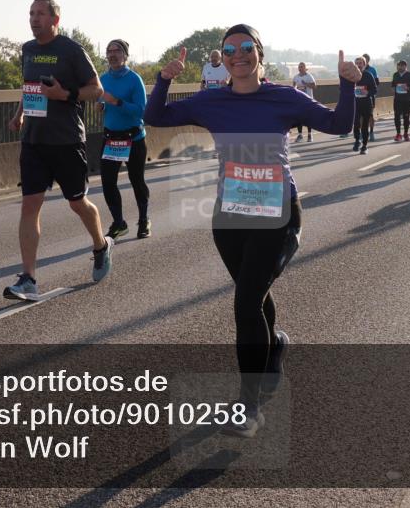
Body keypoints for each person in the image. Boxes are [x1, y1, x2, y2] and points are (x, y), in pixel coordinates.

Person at [144, 25, 360, 438]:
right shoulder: (212, 100)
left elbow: (338, 125)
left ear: (259, 53)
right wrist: (164, 79)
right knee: (253, 293)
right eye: (229, 50)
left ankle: (249, 405)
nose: (237, 55)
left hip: (278, 214)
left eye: (246, 48)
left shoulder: (284, 97)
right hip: (230, 216)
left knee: (245, 303)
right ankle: (275, 344)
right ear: (222, 58)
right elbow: (155, 117)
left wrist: (349, 87)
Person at [4, 0, 113, 302]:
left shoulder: (71, 50)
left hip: (66, 140)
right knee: (30, 204)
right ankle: (28, 278)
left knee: (77, 203)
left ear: (55, 19)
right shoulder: (27, 49)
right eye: (30, 13)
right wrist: (19, 114)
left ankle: (100, 245)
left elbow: (97, 90)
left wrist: (64, 93)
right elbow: (30, 88)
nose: (33, 18)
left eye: (40, 14)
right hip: (34, 140)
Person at [98, 39, 151, 240]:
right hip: (111, 139)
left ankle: (144, 220)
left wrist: (117, 102)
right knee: (108, 183)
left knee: (137, 181)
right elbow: (101, 101)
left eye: (117, 51)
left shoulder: (135, 79)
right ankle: (119, 223)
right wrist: (102, 105)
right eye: (109, 51)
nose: (113, 54)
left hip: (134, 139)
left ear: (125, 55)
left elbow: (141, 111)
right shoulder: (102, 79)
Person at [353, 56, 378, 153]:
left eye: (360, 63)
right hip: (356, 102)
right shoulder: (352, 76)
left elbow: (374, 89)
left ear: (364, 65)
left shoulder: (368, 75)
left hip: (366, 103)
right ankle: (356, 140)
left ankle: (364, 146)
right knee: (356, 123)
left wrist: (367, 93)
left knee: (364, 125)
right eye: (357, 63)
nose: (358, 65)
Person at [390, 60, 410, 141]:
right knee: (396, 116)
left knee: (406, 117)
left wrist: (408, 88)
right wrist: (393, 89)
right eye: (398, 65)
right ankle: (398, 134)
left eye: (402, 66)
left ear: (405, 66)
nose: (400, 67)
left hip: (407, 99)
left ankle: (406, 133)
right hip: (397, 99)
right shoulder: (395, 74)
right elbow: (393, 84)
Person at [291, 62, 317, 142]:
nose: (300, 68)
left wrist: (306, 84)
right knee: (299, 118)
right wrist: (295, 90)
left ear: (305, 68)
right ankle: (300, 135)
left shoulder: (309, 76)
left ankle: (309, 135)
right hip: (299, 101)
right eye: (299, 67)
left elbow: (314, 86)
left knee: (308, 118)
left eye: (302, 67)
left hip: (308, 100)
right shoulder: (296, 77)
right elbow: (294, 87)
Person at [363, 54, 379, 140]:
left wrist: (369, 90)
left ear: (367, 61)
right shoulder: (357, 70)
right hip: (359, 97)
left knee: (370, 115)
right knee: (361, 116)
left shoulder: (372, 70)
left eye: (364, 60)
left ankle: (372, 132)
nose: (362, 63)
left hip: (370, 96)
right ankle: (363, 132)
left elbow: (377, 82)